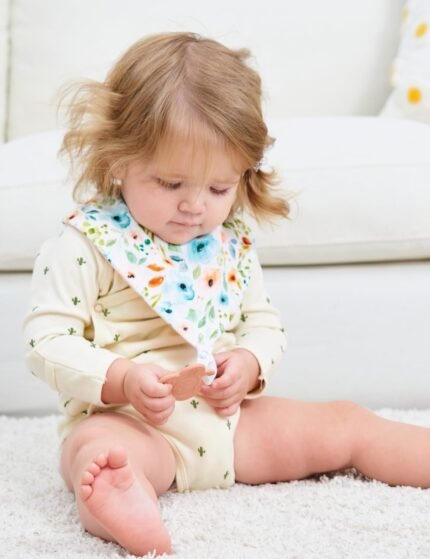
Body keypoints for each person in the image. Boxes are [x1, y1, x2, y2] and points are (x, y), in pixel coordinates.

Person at [23, 32, 430, 557]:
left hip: (231, 425)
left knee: (346, 422)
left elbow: (263, 323)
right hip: (136, 426)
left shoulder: (228, 243)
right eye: (171, 183)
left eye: (219, 188)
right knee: (95, 454)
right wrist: (121, 378)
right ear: (118, 159)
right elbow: (46, 341)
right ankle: (123, 496)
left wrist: (250, 362)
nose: (195, 206)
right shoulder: (85, 245)